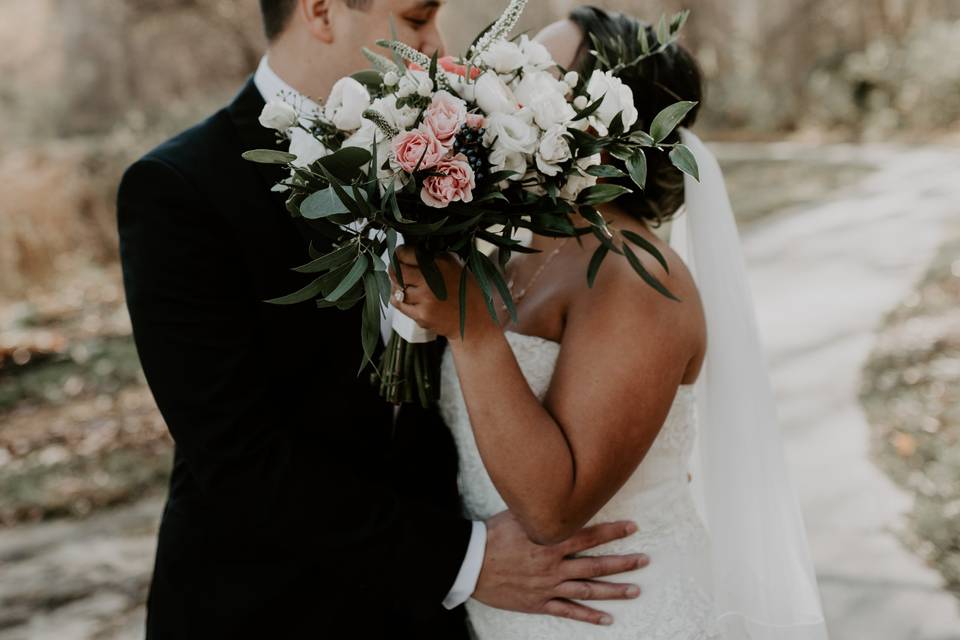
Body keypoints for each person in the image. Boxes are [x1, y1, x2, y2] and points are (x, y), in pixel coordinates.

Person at [117, 1, 646, 638]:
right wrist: (466, 561)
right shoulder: (179, 189)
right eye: (418, 18)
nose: (438, 42)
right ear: (320, 11)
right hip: (265, 608)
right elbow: (236, 457)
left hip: (431, 618)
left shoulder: (451, 148)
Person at [391, 6, 829, 639]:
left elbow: (550, 510)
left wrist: (471, 328)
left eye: (534, 76)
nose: (501, 92)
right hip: (510, 615)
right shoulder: (514, 247)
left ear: (603, 125)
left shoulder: (640, 281)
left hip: (622, 614)